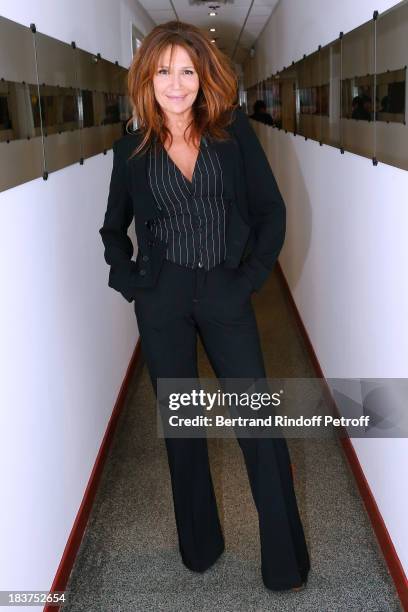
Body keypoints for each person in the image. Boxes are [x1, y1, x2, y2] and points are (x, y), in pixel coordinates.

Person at [99, 20, 310, 592]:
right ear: (147, 77)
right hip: (162, 302)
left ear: (203, 76)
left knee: (258, 423)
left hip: (224, 292)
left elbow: (271, 211)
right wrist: (131, 280)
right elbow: (113, 228)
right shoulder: (131, 151)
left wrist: (247, 280)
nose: (176, 82)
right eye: (164, 70)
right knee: (185, 430)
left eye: (187, 70)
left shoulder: (231, 134)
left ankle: (286, 564)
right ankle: (200, 548)